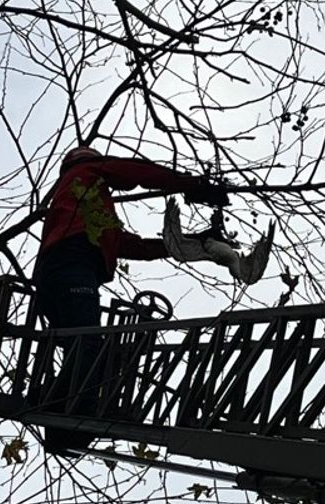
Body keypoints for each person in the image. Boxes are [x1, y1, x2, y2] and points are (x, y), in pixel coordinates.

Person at [32, 146, 228, 455]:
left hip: (59, 274)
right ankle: (72, 418)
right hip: (70, 266)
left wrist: (181, 244)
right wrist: (191, 185)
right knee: (88, 345)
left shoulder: (84, 207)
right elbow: (136, 172)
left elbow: (127, 245)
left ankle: (62, 426)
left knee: (80, 347)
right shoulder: (85, 176)